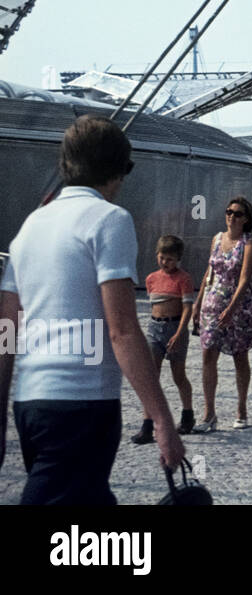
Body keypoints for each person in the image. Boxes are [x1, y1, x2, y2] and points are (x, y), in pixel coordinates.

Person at [0, 115, 184, 503]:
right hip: (82, 403)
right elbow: (122, 330)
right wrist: (163, 420)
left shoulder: (30, 226)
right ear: (118, 169)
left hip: (30, 405)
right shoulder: (109, 220)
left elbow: (6, 331)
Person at [192, 196, 252, 432]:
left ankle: (242, 408)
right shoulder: (216, 239)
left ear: (246, 219)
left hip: (239, 307)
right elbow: (209, 272)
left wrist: (231, 309)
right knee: (207, 356)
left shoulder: (248, 243)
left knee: (239, 357)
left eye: (238, 213)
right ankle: (209, 413)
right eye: (229, 212)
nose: (232, 216)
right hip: (212, 305)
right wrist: (198, 300)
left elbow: (244, 279)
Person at [131, 235, 196, 443]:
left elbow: (187, 307)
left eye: (169, 259)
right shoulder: (151, 279)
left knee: (178, 375)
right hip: (154, 328)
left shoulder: (183, 279)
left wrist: (179, 332)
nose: (165, 262)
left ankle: (187, 415)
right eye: (162, 257)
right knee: (151, 377)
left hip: (175, 327)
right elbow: (154, 304)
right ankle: (147, 425)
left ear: (178, 259)